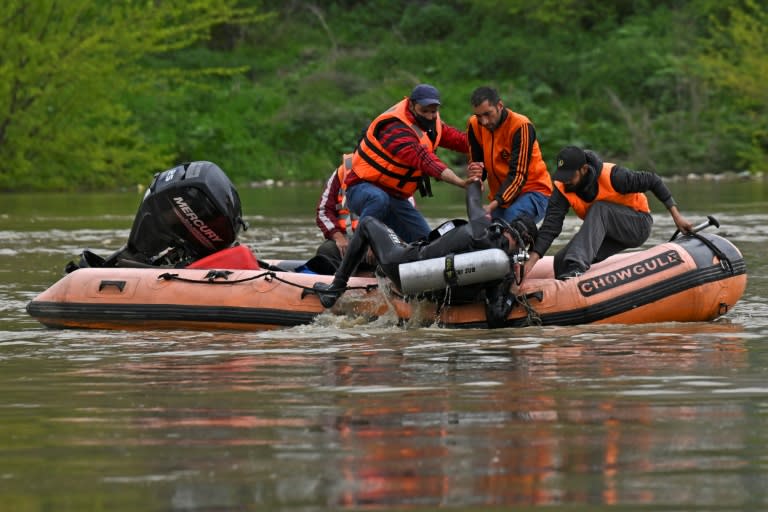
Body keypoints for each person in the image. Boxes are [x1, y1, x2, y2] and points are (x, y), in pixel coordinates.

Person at [312, 178, 539, 327]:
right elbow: (497, 316)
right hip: (434, 294)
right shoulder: (503, 270)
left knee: (367, 223)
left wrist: (473, 182)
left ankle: (335, 289)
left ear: (504, 227)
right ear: (521, 246)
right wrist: (513, 293)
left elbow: (472, 202)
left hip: (404, 268)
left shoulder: (481, 228)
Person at [524, 145, 695, 280]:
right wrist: (529, 264)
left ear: (584, 169)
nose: (565, 180)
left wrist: (677, 217)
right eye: (562, 175)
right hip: (607, 233)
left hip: (637, 225)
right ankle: (572, 289)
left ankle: (577, 268)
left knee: (600, 209)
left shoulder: (614, 176)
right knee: (562, 261)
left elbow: (653, 181)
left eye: (570, 176)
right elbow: (549, 229)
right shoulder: (562, 189)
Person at [344, 83, 473, 243]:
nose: (429, 116)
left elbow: (460, 141)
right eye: (424, 111)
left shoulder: (433, 123)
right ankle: (355, 254)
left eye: (433, 111)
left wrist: (490, 144)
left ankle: (400, 265)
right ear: (411, 105)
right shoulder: (394, 128)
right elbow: (424, 159)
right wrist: (460, 182)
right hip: (362, 189)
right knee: (379, 199)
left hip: (395, 197)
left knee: (427, 242)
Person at [467, 86, 552, 224]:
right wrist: (476, 174)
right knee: (484, 229)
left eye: (488, 114)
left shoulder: (521, 126)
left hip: (534, 192)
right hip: (500, 198)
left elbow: (518, 176)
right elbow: (477, 164)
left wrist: (491, 206)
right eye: (479, 116)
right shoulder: (474, 125)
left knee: (508, 223)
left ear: (500, 106)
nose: (484, 122)